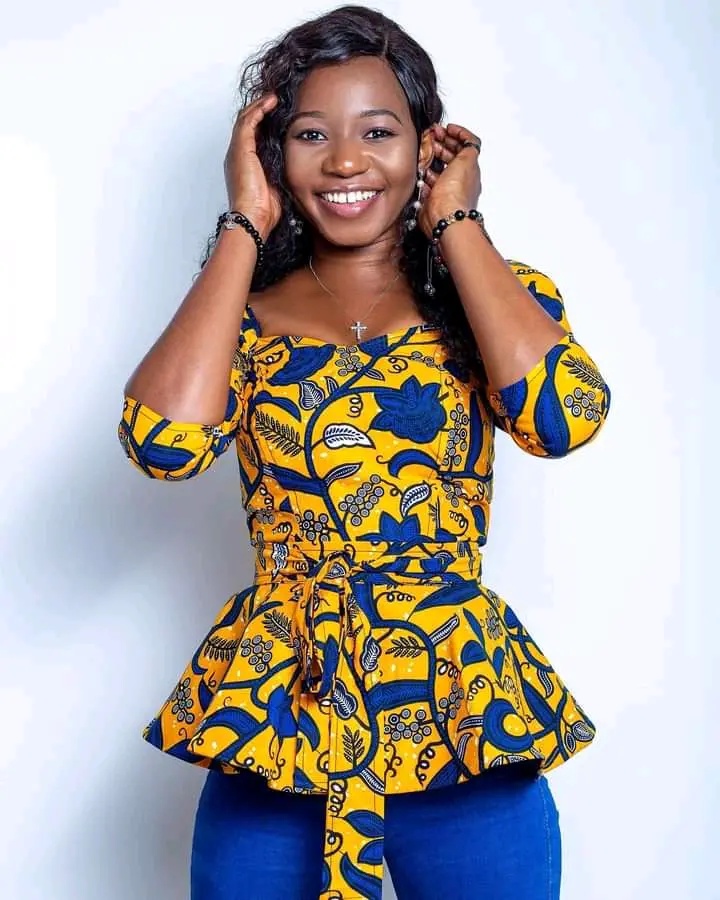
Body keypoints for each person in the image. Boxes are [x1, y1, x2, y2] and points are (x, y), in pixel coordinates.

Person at [118, 5, 610, 899]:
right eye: (312, 134)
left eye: (378, 131)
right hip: (281, 718)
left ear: (426, 144)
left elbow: (564, 419)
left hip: (460, 714)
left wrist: (456, 220)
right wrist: (243, 220)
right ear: (274, 153)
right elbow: (163, 446)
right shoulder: (238, 320)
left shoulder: (489, 298)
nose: (346, 161)